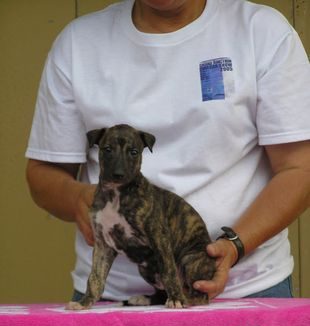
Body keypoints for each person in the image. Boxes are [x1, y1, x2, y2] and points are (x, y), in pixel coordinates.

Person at [26, 0, 310, 302]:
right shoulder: (78, 43)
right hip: (114, 296)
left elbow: (299, 168)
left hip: (244, 287)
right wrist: (77, 199)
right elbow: (44, 174)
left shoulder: (261, 30)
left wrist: (234, 246)